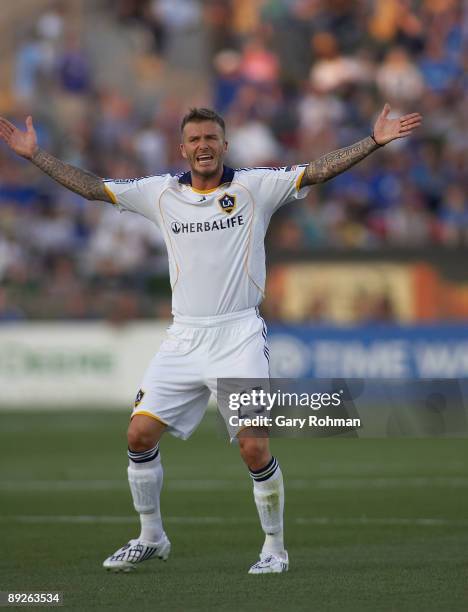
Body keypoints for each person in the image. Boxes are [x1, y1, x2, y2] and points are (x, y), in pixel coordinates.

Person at [0, 104, 422, 573]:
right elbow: (93, 188)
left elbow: (317, 171)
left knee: (253, 445)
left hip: (238, 334)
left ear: (225, 145)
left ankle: (274, 548)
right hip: (184, 338)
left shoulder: (254, 188)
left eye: (211, 139)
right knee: (139, 434)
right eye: (195, 140)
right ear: (183, 149)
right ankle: (151, 535)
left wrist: (373, 141)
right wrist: (36, 156)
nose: (203, 146)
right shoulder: (159, 192)